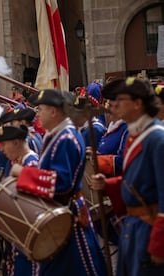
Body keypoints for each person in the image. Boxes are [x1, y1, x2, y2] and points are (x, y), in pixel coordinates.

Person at [20, 89, 107, 275]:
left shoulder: (66, 138)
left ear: (54, 111)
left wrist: (24, 174)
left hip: (67, 215)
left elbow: (61, 184)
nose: (37, 114)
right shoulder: (58, 134)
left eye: (41, 109)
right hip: (61, 212)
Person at [91, 77, 164, 275]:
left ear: (138, 104)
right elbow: (135, 181)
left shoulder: (157, 138)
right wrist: (108, 184)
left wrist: (159, 243)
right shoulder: (137, 134)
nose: (115, 104)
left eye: (122, 99)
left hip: (148, 231)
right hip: (134, 230)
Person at [0, 125, 39, 275]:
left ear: (16, 142)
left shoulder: (31, 163)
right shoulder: (20, 162)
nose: (1, 149)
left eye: (4, 144)